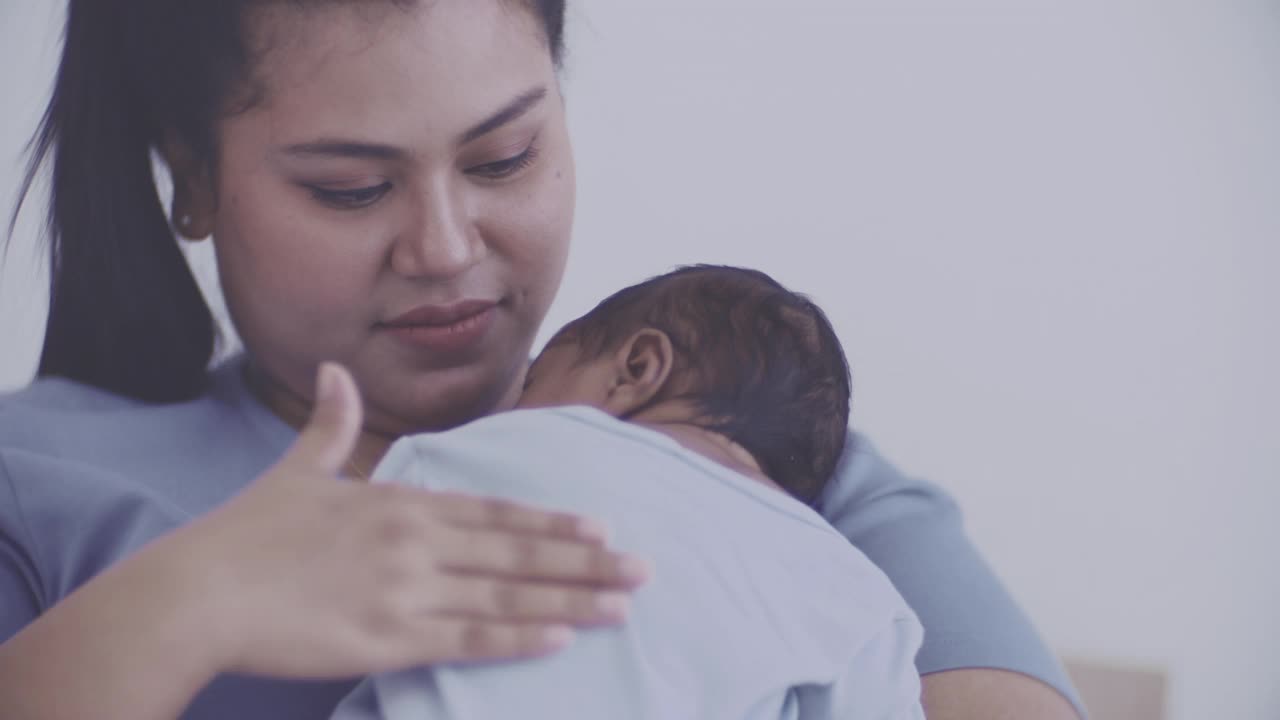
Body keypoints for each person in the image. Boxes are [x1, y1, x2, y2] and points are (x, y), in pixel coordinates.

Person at [0, 1, 1085, 719]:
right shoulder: (37, 481)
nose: (445, 248)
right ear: (190, 178)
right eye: (350, 187)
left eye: (504, 157)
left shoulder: (760, 459)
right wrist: (192, 600)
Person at [333, 264, 926, 719]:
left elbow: (368, 558)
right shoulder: (860, 596)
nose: (514, 406)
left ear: (637, 368)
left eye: (533, 382)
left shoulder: (525, 447)